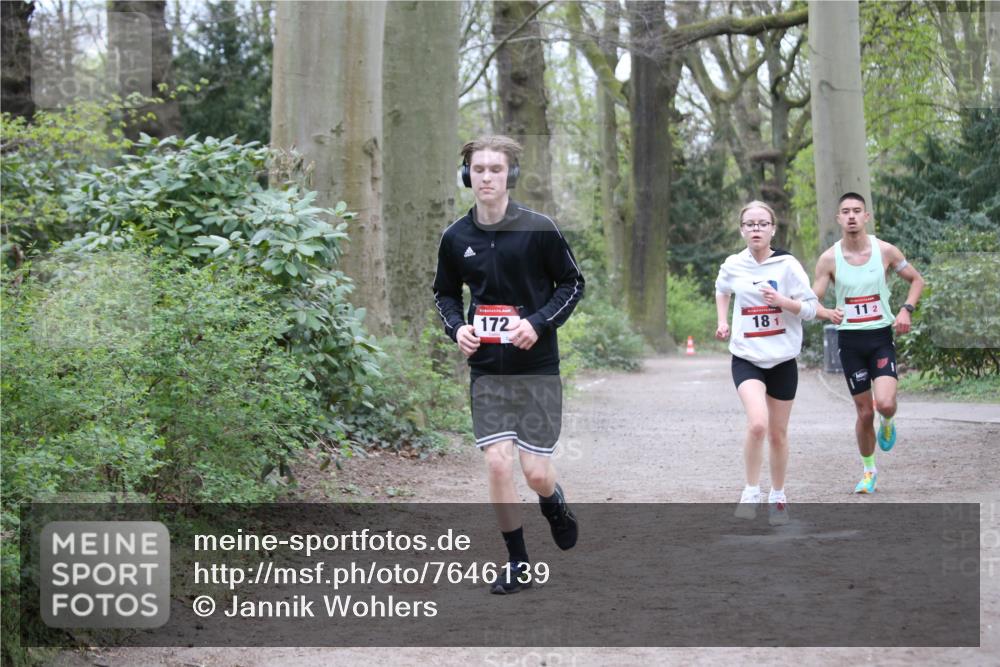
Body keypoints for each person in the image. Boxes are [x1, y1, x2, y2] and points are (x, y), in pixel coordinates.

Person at [432, 135, 584, 594]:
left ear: (510, 175)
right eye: (478, 169)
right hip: (488, 372)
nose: (486, 177)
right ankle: (518, 563)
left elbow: (572, 284)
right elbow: (444, 294)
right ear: (467, 176)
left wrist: (538, 323)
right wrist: (457, 328)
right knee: (498, 464)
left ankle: (553, 502)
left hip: (536, 368)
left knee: (535, 472)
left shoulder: (539, 229)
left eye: (496, 169)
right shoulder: (456, 237)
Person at [715, 201, 837, 525]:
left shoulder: (787, 265)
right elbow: (721, 288)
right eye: (750, 224)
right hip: (747, 357)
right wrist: (722, 320)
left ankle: (778, 494)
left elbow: (811, 309)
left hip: (782, 359)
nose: (756, 229)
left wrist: (783, 302)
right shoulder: (733, 264)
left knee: (778, 434)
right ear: (742, 230)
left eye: (762, 223)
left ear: (772, 229)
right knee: (757, 424)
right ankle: (751, 491)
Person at [812, 192, 924, 494]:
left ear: (866, 216)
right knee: (864, 413)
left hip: (880, 338)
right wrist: (827, 312)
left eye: (857, 210)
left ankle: (888, 421)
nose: (851, 216)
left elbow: (917, 280)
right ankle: (869, 471)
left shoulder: (885, 251)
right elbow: (813, 300)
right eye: (846, 211)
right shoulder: (829, 259)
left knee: (885, 404)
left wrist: (906, 309)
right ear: (838, 218)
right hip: (850, 342)